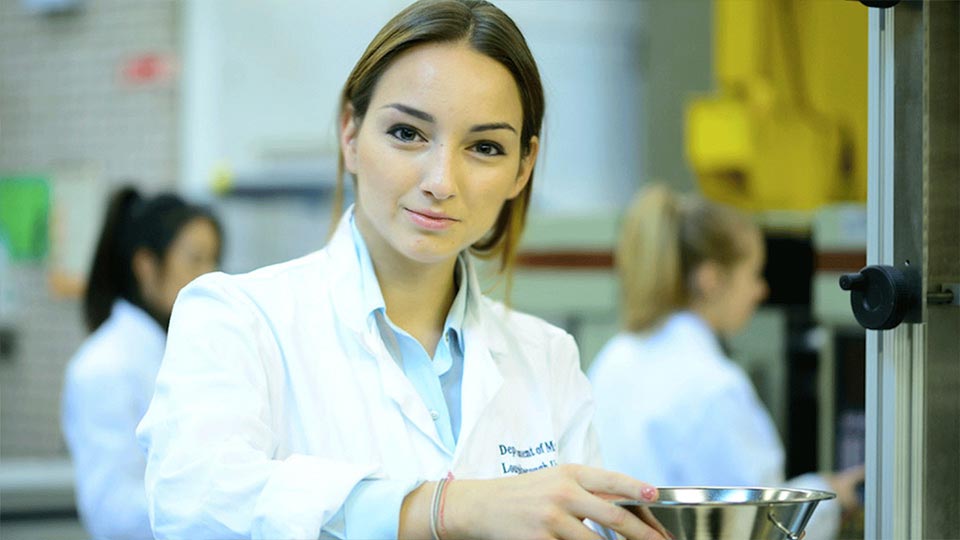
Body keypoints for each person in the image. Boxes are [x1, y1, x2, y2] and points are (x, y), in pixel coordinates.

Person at [135, 1, 669, 539]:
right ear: (350, 133)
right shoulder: (238, 318)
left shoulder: (547, 357)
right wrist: (444, 509)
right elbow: (194, 507)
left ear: (522, 168)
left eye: (485, 147)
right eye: (408, 134)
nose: (442, 180)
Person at [588, 184, 864, 540]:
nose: (760, 291)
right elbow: (759, 525)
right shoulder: (715, 385)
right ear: (711, 279)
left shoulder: (616, 356)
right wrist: (833, 497)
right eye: (753, 274)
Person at [61, 186, 222, 540]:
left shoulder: (182, 351)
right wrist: (221, 504)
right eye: (195, 259)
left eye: (213, 260)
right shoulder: (103, 367)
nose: (209, 276)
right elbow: (111, 513)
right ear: (146, 266)